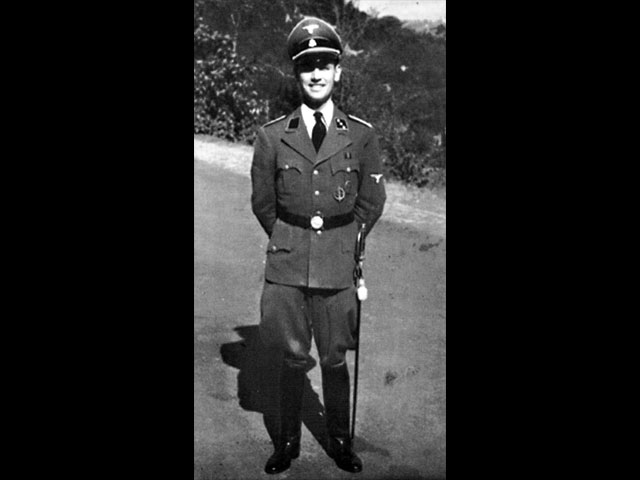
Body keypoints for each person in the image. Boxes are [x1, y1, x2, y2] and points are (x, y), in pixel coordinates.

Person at [250, 16, 386, 475]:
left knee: (333, 356)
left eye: (324, 65)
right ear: (296, 74)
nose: (316, 74)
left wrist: (348, 244)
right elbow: (264, 203)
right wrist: (291, 239)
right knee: (292, 357)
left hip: (337, 264)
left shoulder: (361, 135)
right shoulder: (272, 135)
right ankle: (287, 442)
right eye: (307, 66)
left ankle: (340, 441)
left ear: (338, 72)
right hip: (288, 265)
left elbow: (372, 201)